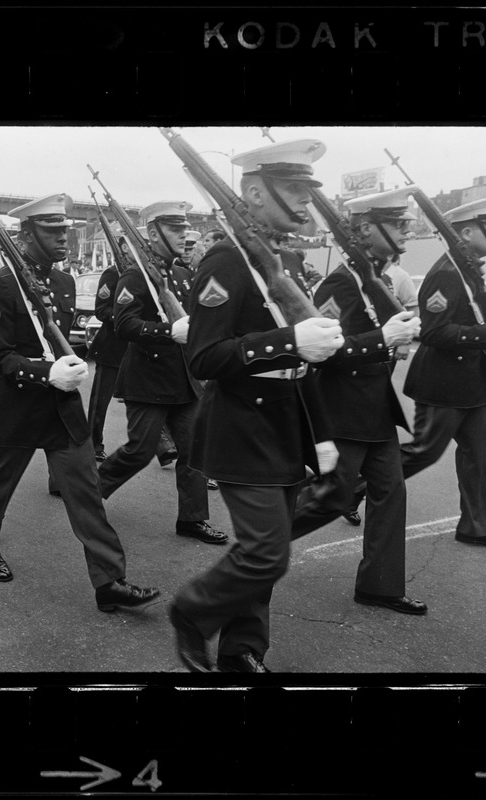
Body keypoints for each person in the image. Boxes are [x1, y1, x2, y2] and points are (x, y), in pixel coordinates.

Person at [168, 138, 344, 672]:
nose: (303, 202)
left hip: (286, 424)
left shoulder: (283, 257)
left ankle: (243, 649)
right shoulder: (226, 258)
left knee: (266, 552)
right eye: (291, 188)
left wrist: (323, 434)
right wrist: (288, 342)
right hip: (243, 426)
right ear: (252, 192)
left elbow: (305, 356)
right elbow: (203, 357)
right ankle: (191, 612)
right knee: (267, 552)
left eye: (306, 189)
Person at [0, 193, 159, 613]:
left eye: (64, 231)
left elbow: (59, 336)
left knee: (87, 493)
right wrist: (45, 371)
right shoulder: (0, 284)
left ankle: (110, 582)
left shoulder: (64, 281)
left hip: (61, 409)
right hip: (15, 409)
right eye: (52, 232)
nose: (62, 240)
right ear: (26, 236)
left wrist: (70, 361)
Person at [289, 186, 427, 617]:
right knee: (330, 497)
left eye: (406, 222)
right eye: (397, 223)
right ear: (366, 228)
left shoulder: (381, 281)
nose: (406, 230)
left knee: (391, 493)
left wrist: (394, 339)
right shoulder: (340, 284)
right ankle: (258, 543)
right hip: (343, 410)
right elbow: (326, 352)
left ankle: (380, 586)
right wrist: (382, 340)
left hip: (376, 409)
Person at [97, 201, 228, 546]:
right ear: (153, 234)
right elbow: (123, 324)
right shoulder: (134, 275)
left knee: (193, 451)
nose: (184, 234)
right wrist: (167, 331)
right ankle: (92, 491)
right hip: (148, 379)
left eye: (185, 228)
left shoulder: (182, 274)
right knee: (141, 450)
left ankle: (193, 519)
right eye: (175, 228)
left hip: (184, 378)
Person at [400, 195, 486, 552]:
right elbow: (432, 333)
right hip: (441, 383)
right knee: (422, 453)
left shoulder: (468, 269)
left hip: (472, 383)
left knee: (482, 455)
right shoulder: (447, 274)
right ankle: (345, 489)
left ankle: (477, 527)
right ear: (466, 232)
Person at [86, 228, 128, 463]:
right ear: (123, 247)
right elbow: (101, 310)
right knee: (100, 402)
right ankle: (93, 443)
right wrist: (124, 318)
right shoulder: (112, 275)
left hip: (136, 347)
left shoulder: (142, 275)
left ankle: (162, 447)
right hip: (111, 347)